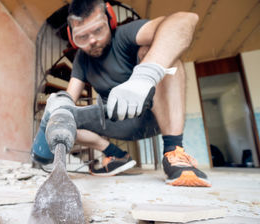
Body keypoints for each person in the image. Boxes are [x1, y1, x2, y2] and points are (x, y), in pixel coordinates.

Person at [65, 0, 210, 186]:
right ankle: (116, 155)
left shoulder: (125, 35)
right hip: (121, 122)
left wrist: (144, 76)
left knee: (154, 49)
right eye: (82, 37)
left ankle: (174, 151)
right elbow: (69, 98)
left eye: (98, 30)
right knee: (64, 118)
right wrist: (58, 107)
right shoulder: (81, 60)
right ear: (72, 37)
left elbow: (186, 20)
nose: (92, 40)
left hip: (157, 115)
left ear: (110, 21)